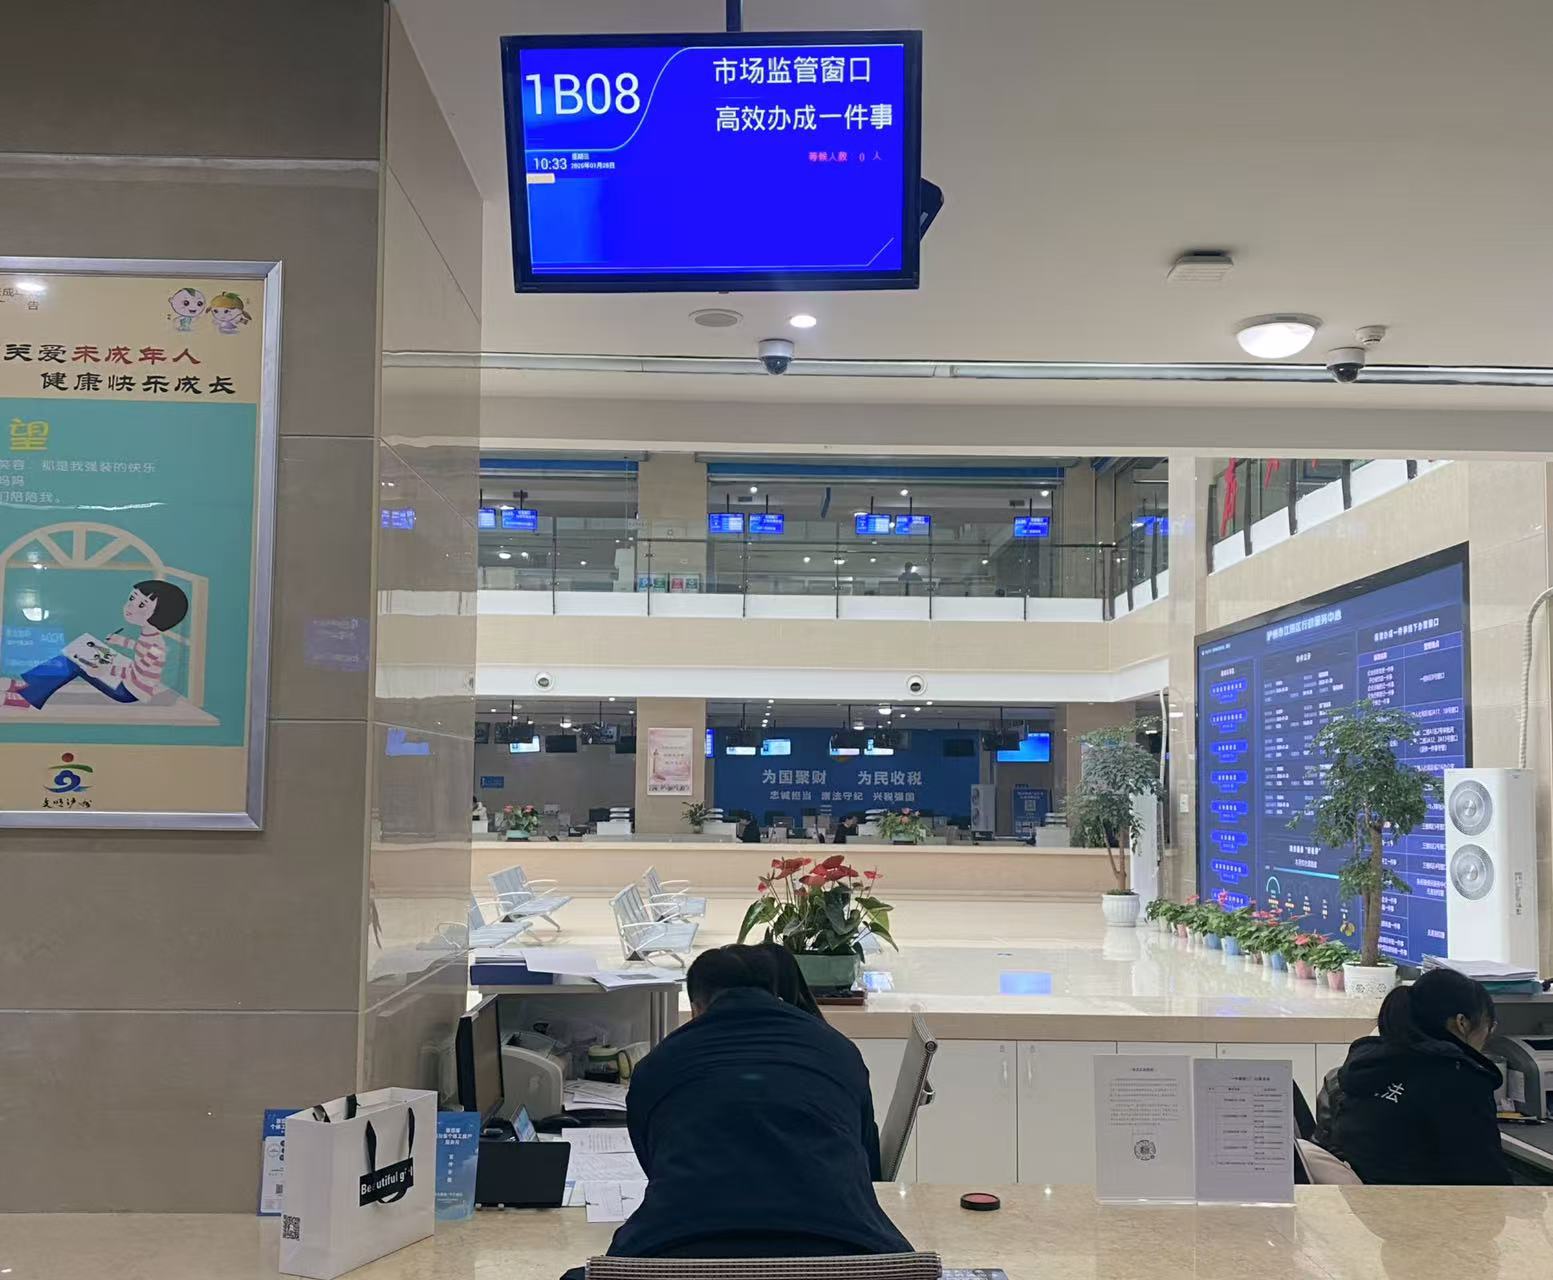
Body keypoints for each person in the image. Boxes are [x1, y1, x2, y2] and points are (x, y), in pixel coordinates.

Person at [603, 943, 910, 1262]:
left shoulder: (659, 1064)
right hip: (848, 1249)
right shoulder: (838, 1051)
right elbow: (867, 1161)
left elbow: (652, 1161)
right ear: (775, 993)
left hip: (677, 1247)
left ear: (696, 1007)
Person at [1315, 968, 1509, 1185]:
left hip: (1360, 1200)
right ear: (1461, 1022)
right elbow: (1490, 1180)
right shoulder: (1459, 1079)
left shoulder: (1368, 1062)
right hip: (1421, 1203)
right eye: (1488, 1028)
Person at [6, 579, 188, 710]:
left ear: (160, 615)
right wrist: (121, 641)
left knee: (74, 661)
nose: (130, 606)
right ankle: (29, 683)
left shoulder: (155, 647)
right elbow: (139, 647)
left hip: (129, 690)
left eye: (142, 605)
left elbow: (136, 673)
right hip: (129, 677)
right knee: (80, 648)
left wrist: (103, 670)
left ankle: (28, 696)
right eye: (132, 599)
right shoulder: (150, 637)